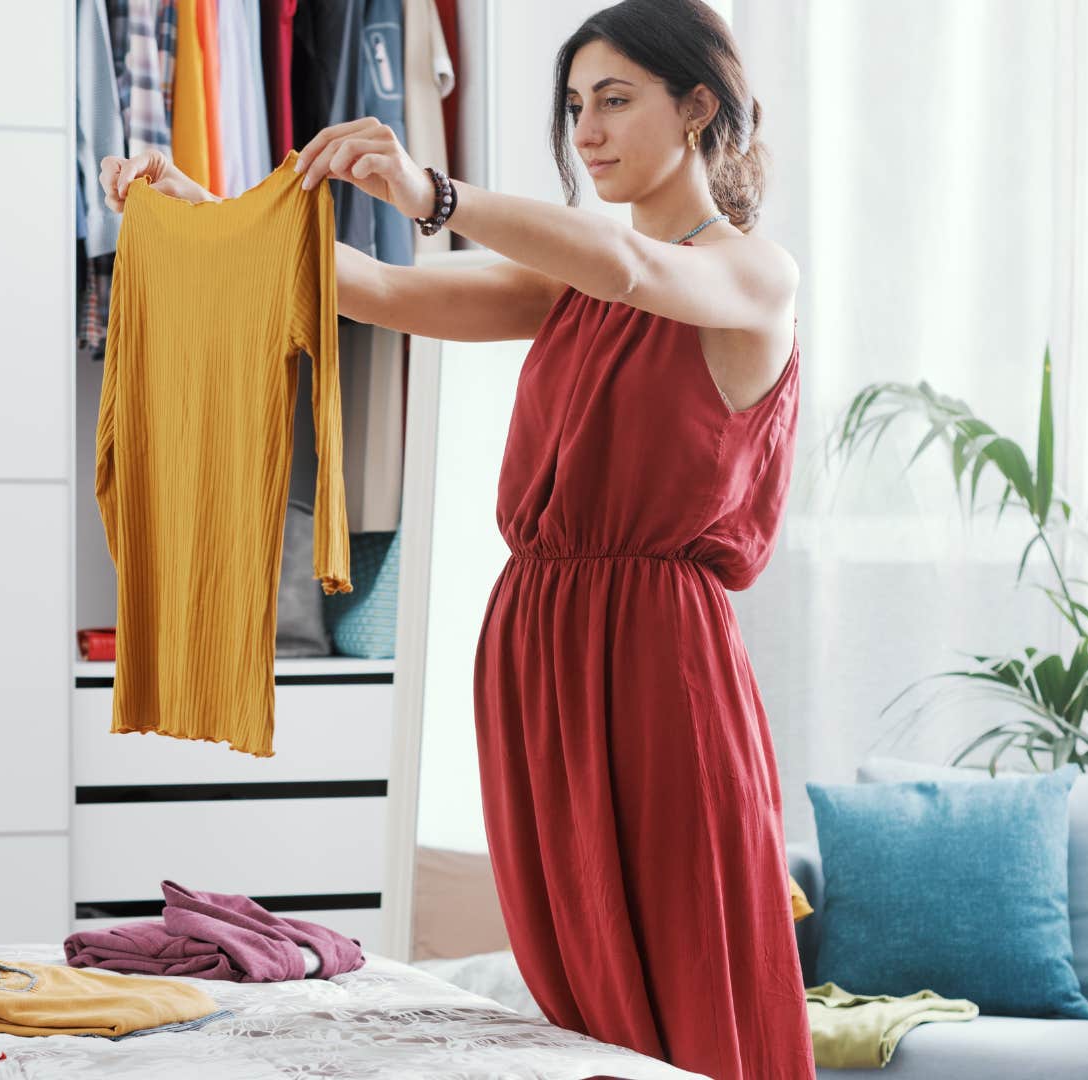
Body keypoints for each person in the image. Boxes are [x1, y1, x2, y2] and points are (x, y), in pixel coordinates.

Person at [99, 1, 809, 1075]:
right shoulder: (575, 276)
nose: (589, 132)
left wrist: (435, 193)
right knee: (576, 976)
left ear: (700, 105)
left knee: (687, 959)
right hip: (536, 650)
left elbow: (635, 272)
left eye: (616, 101)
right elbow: (377, 290)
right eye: (575, 107)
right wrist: (204, 211)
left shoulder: (752, 276)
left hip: (660, 662)